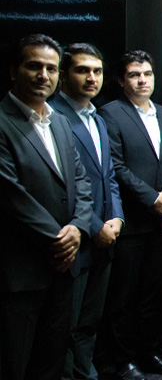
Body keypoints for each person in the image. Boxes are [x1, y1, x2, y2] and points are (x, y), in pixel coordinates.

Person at [0, 34, 93, 380]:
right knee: (14, 365)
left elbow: (81, 183)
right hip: (21, 272)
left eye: (51, 69)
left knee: (52, 363)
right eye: (34, 66)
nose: (44, 75)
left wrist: (78, 228)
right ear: (14, 71)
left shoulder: (60, 122)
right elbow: (10, 194)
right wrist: (59, 240)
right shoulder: (2, 122)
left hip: (63, 271)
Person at [99, 50, 162, 377]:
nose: (142, 80)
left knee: (153, 293)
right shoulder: (110, 113)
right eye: (134, 75)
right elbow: (115, 166)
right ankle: (123, 360)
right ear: (121, 80)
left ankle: (150, 352)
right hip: (131, 222)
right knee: (124, 297)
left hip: (161, 219)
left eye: (147, 74)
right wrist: (151, 198)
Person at [49, 42, 125, 380]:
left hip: (105, 236)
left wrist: (117, 217)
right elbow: (67, 187)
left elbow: (109, 175)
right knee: (65, 326)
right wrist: (95, 226)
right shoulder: (53, 117)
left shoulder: (98, 117)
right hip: (77, 237)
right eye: (82, 70)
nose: (92, 78)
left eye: (97, 71)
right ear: (64, 76)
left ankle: (85, 373)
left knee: (89, 322)